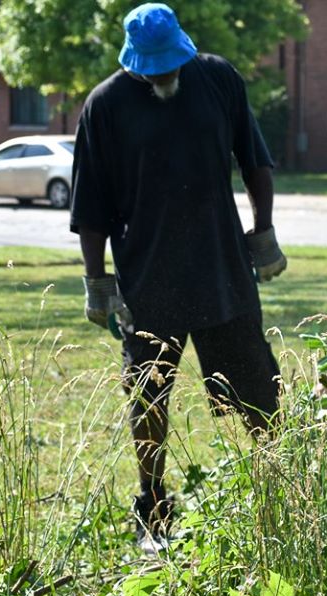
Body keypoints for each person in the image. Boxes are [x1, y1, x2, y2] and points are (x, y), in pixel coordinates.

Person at [70, 2, 287, 552]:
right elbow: (90, 205)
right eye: (155, 66)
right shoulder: (105, 106)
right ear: (134, 60)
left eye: (171, 63)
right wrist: (98, 282)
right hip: (149, 278)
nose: (165, 74)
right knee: (148, 396)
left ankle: (279, 496)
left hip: (222, 270)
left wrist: (262, 233)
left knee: (257, 389)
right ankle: (152, 506)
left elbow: (255, 162)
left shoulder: (217, 80)